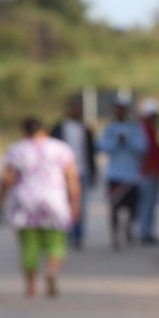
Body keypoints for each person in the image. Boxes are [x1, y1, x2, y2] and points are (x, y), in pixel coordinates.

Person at [0, 117, 80, 297]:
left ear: (24, 131)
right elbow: (71, 179)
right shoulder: (60, 148)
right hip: (54, 200)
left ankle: (31, 286)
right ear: (44, 130)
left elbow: (6, 179)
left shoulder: (17, 149)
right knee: (55, 242)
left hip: (24, 202)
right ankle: (51, 271)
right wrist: (75, 203)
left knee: (28, 246)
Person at [97, 95, 147, 251]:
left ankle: (129, 232)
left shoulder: (135, 128)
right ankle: (115, 237)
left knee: (132, 208)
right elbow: (102, 147)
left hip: (132, 175)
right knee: (114, 207)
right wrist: (116, 141)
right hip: (115, 174)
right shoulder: (109, 128)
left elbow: (142, 147)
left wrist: (128, 141)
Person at [50, 97, 97, 250]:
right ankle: (66, 233)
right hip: (61, 174)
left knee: (80, 205)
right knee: (63, 205)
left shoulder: (85, 129)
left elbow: (91, 153)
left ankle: (78, 235)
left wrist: (93, 172)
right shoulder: (58, 128)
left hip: (81, 172)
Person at [137, 97, 159, 246]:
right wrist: (150, 169)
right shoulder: (142, 129)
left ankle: (148, 231)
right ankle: (144, 232)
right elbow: (143, 152)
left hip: (154, 172)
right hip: (147, 172)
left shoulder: (152, 129)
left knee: (152, 203)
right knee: (146, 203)